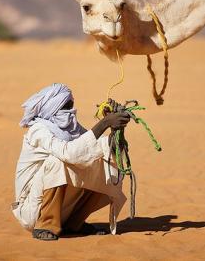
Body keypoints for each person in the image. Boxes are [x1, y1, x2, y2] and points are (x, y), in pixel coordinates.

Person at [12, 83, 130, 240]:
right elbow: (69, 153)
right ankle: (46, 225)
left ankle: (74, 222)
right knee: (57, 161)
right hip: (32, 210)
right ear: (53, 107)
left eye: (71, 105)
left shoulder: (72, 128)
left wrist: (116, 127)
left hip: (64, 211)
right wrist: (104, 123)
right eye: (65, 106)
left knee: (101, 161)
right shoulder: (38, 130)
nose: (70, 111)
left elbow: (95, 147)